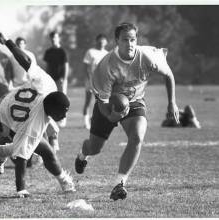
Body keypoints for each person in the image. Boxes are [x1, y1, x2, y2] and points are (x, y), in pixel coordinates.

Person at [74, 22, 180, 201]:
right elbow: (103, 102)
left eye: (133, 39)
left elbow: (168, 75)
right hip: (109, 104)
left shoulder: (147, 56)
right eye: (125, 40)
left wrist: (172, 103)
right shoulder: (105, 66)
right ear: (116, 41)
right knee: (94, 147)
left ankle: (119, 183)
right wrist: (111, 115)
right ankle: (82, 155)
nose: (130, 44)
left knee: (137, 137)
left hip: (135, 101)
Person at [0, 32, 75, 197]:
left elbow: (26, 62)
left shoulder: (48, 84)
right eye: (61, 113)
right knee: (45, 150)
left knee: (39, 147)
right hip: (6, 115)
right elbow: (21, 159)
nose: (64, 116)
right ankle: (63, 180)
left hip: (15, 102)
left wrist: (8, 43)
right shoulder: (35, 123)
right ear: (51, 111)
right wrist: (21, 189)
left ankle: (1, 154)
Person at [43, 31, 69, 127]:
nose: (53, 39)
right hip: (50, 79)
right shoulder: (48, 52)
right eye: (52, 38)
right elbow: (47, 66)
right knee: (52, 98)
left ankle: (63, 119)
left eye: (55, 37)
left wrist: (64, 79)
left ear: (58, 38)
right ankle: (53, 118)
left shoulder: (62, 51)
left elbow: (66, 65)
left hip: (60, 79)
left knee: (62, 99)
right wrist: (46, 77)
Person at [82, 34, 108, 129]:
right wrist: (88, 79)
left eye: (103, 41)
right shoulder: (90, 52)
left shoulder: (106, 53)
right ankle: (86, 122)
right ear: (96, 41)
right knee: (88, 101)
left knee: (101, 102)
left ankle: (97, 120)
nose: (101, 43)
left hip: (101, 82)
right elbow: (85, 67)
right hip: (90, 81)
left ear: (106, 42)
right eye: (100, 41)